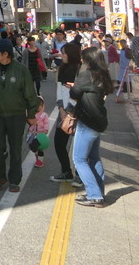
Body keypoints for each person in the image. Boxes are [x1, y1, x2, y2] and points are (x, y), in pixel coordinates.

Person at [0, 38, 40, 193]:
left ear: (5, 54)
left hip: (16, 115)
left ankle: (14, 180)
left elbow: (30, 93)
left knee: (15, 148)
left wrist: (31, 114)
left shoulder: (21, 70)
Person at [68, 48, 114, 207]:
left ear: (88, 60)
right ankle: (99, 192)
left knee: (79, 159)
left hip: (87, 122)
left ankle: (94, 195)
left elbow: (74, 94)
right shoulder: (103, 74)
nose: (81, 61)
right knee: (94, 158)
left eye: (83, 59)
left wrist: (75, 85)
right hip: (99, 121)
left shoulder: (86, 75)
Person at [50, 42, 83, 184]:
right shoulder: (62, 69)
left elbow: (77, 92)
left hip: (77, 112)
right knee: (58, 142)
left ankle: (80, 175)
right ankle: (66, 171)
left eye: (64, 53)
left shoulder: (80, 70)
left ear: (71, 54)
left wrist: (69, 111)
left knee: (79, 145)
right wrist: (61, 109)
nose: (61, 55)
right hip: (63, 111)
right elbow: (59, 90)